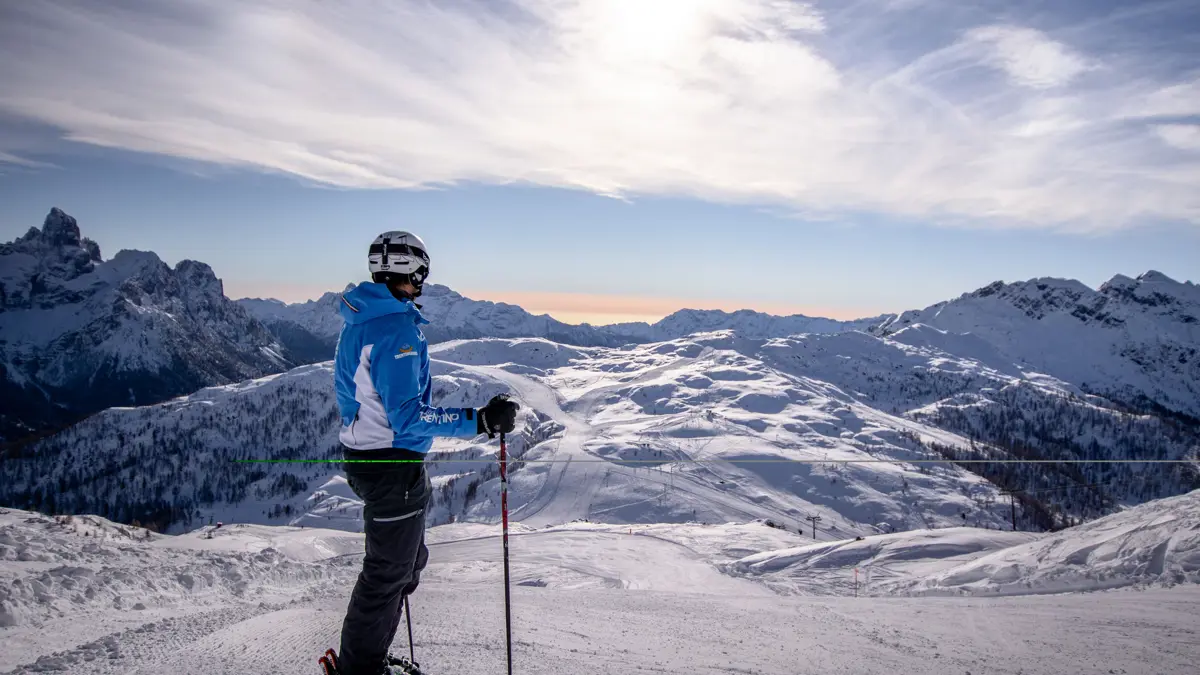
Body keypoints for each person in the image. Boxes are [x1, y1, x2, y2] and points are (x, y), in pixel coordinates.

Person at [332, 230, 519, 675]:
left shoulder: (364, 319)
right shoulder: (394, 329)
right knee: (388, 574)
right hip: (390, 465)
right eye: (422, 271)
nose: (424, 280)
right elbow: (408, 418)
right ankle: (360, 670)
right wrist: (480, 421)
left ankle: (367, 659)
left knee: (407, 563)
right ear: (410, 269)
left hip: (375, 460)